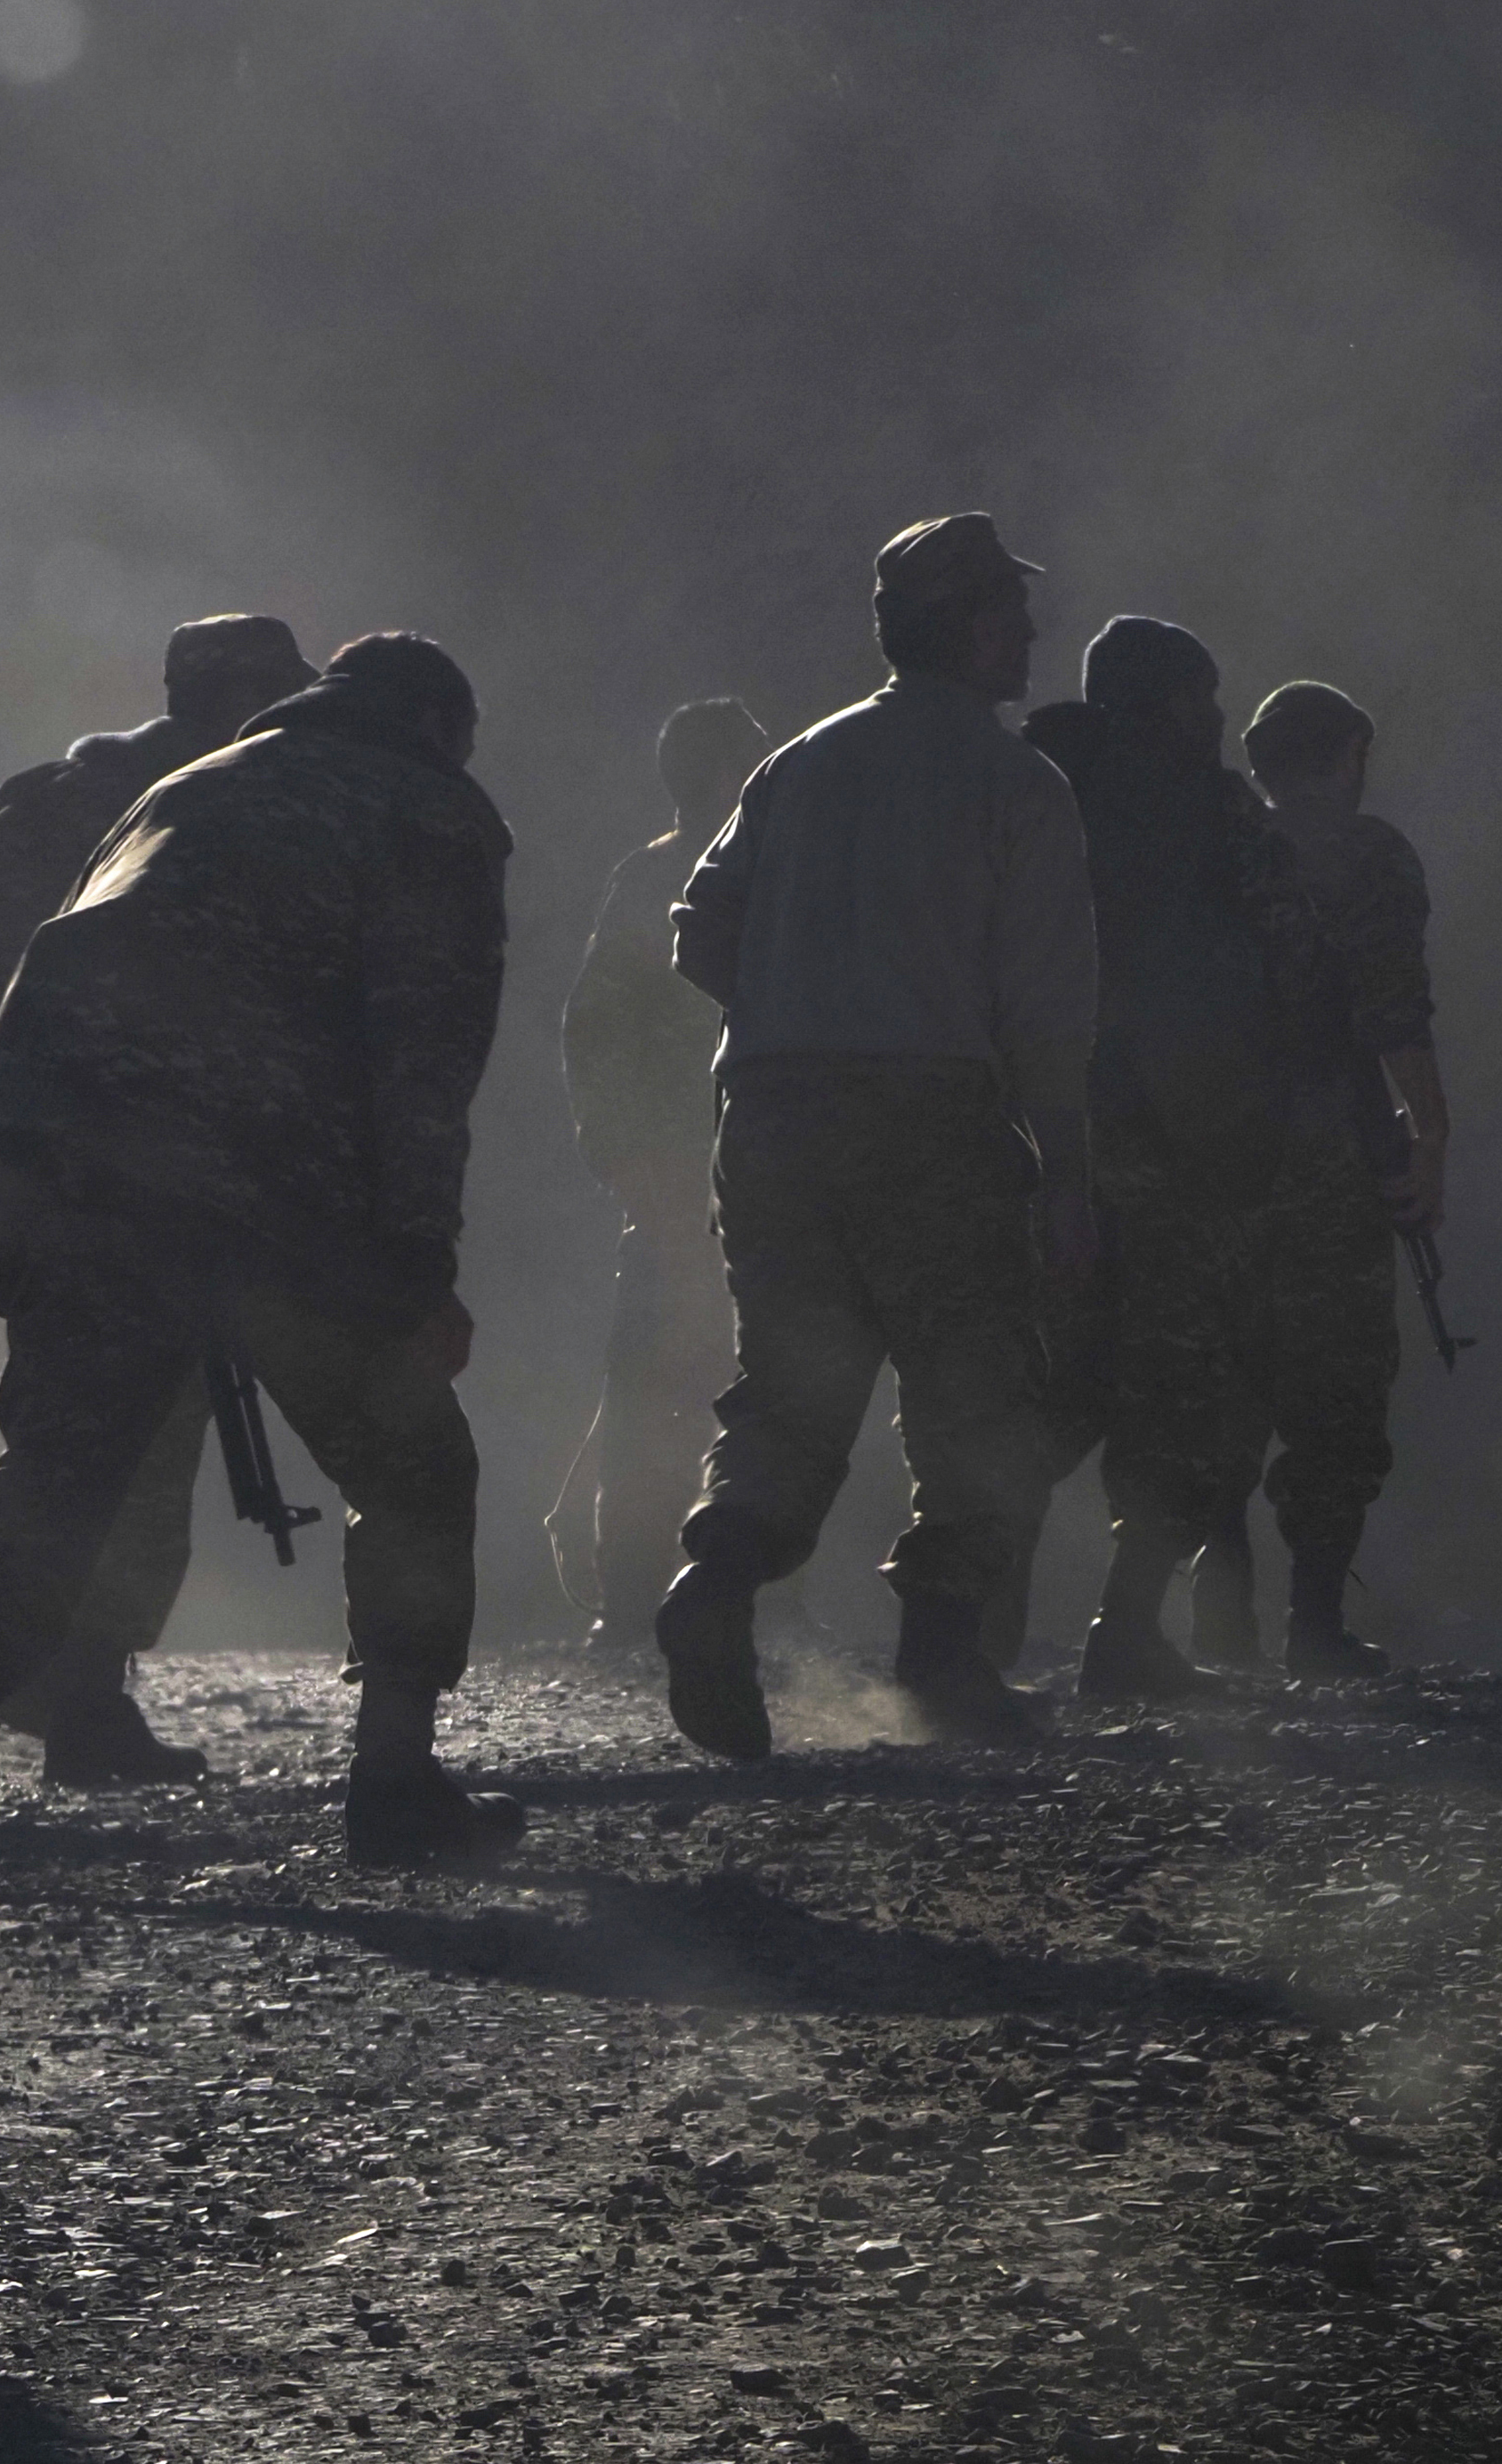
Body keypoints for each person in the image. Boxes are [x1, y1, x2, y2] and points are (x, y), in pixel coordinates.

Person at [0, 633, 524, 1887]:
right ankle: (394, 1779)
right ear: (440, 729)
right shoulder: (430, 812)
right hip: (275, 1184)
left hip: (73, 1166)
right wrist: (418, 1259)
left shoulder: (184, 786)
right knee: (415, 1467)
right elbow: (423, 1054)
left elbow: (42, 972)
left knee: (59, 1468)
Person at [655, 514, 1091, 1757]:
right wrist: (1065, 1169)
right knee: (975, 1390)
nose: (1027, 631)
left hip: (773, 1115)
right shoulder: (1016, 783)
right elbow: (1047, 1004)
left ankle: (713, 1586)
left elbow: (699, 930)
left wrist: (802, 1004)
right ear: (964, 626)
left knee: (791, 1388)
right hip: (929, 1116)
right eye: (1009, 609)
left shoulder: (799, 761)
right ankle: (941, 1661)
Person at [0, 616, 316, 1785]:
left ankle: (58, 1685)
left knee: (85, 1414)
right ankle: (55, 1687)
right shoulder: (207, 806)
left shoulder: (54, 801)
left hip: (23, 1160)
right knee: (124, 1427)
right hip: (126, 1170)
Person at [1013, 620, 1352, 1697]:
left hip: (1038, 1135)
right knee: (1178, 1385)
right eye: (1198, 697)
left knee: (1051, 1391)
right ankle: (1124, 1632)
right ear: (1166, 704)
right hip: (1181, 1141)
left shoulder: (1034, 794)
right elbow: (1297, 958)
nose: (1215, 718)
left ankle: (967, 1633)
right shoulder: (1210, 809)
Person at [1213, 676, 1450, 1677]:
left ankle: (1206, 1621)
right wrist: (1427, 1131)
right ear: (1347, 751)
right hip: (1321, 1149)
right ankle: (1309, 1626)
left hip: (1209, 1145)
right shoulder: (1365, 855)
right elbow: (1388, 1006)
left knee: (1222, 1374)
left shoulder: (1217, 847)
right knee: (1336, 1382)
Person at [547, 698, 766, 1664]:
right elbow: (596, 1028)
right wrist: (627, 1155)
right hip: (716, 1163)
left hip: (706, 1162)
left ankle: (644, 1600)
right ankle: (657, 1596)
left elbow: (589, 1028)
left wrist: (618, 1152)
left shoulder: (653, 874)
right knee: (704, 1379)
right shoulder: (734, 869)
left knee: (671, 1383)